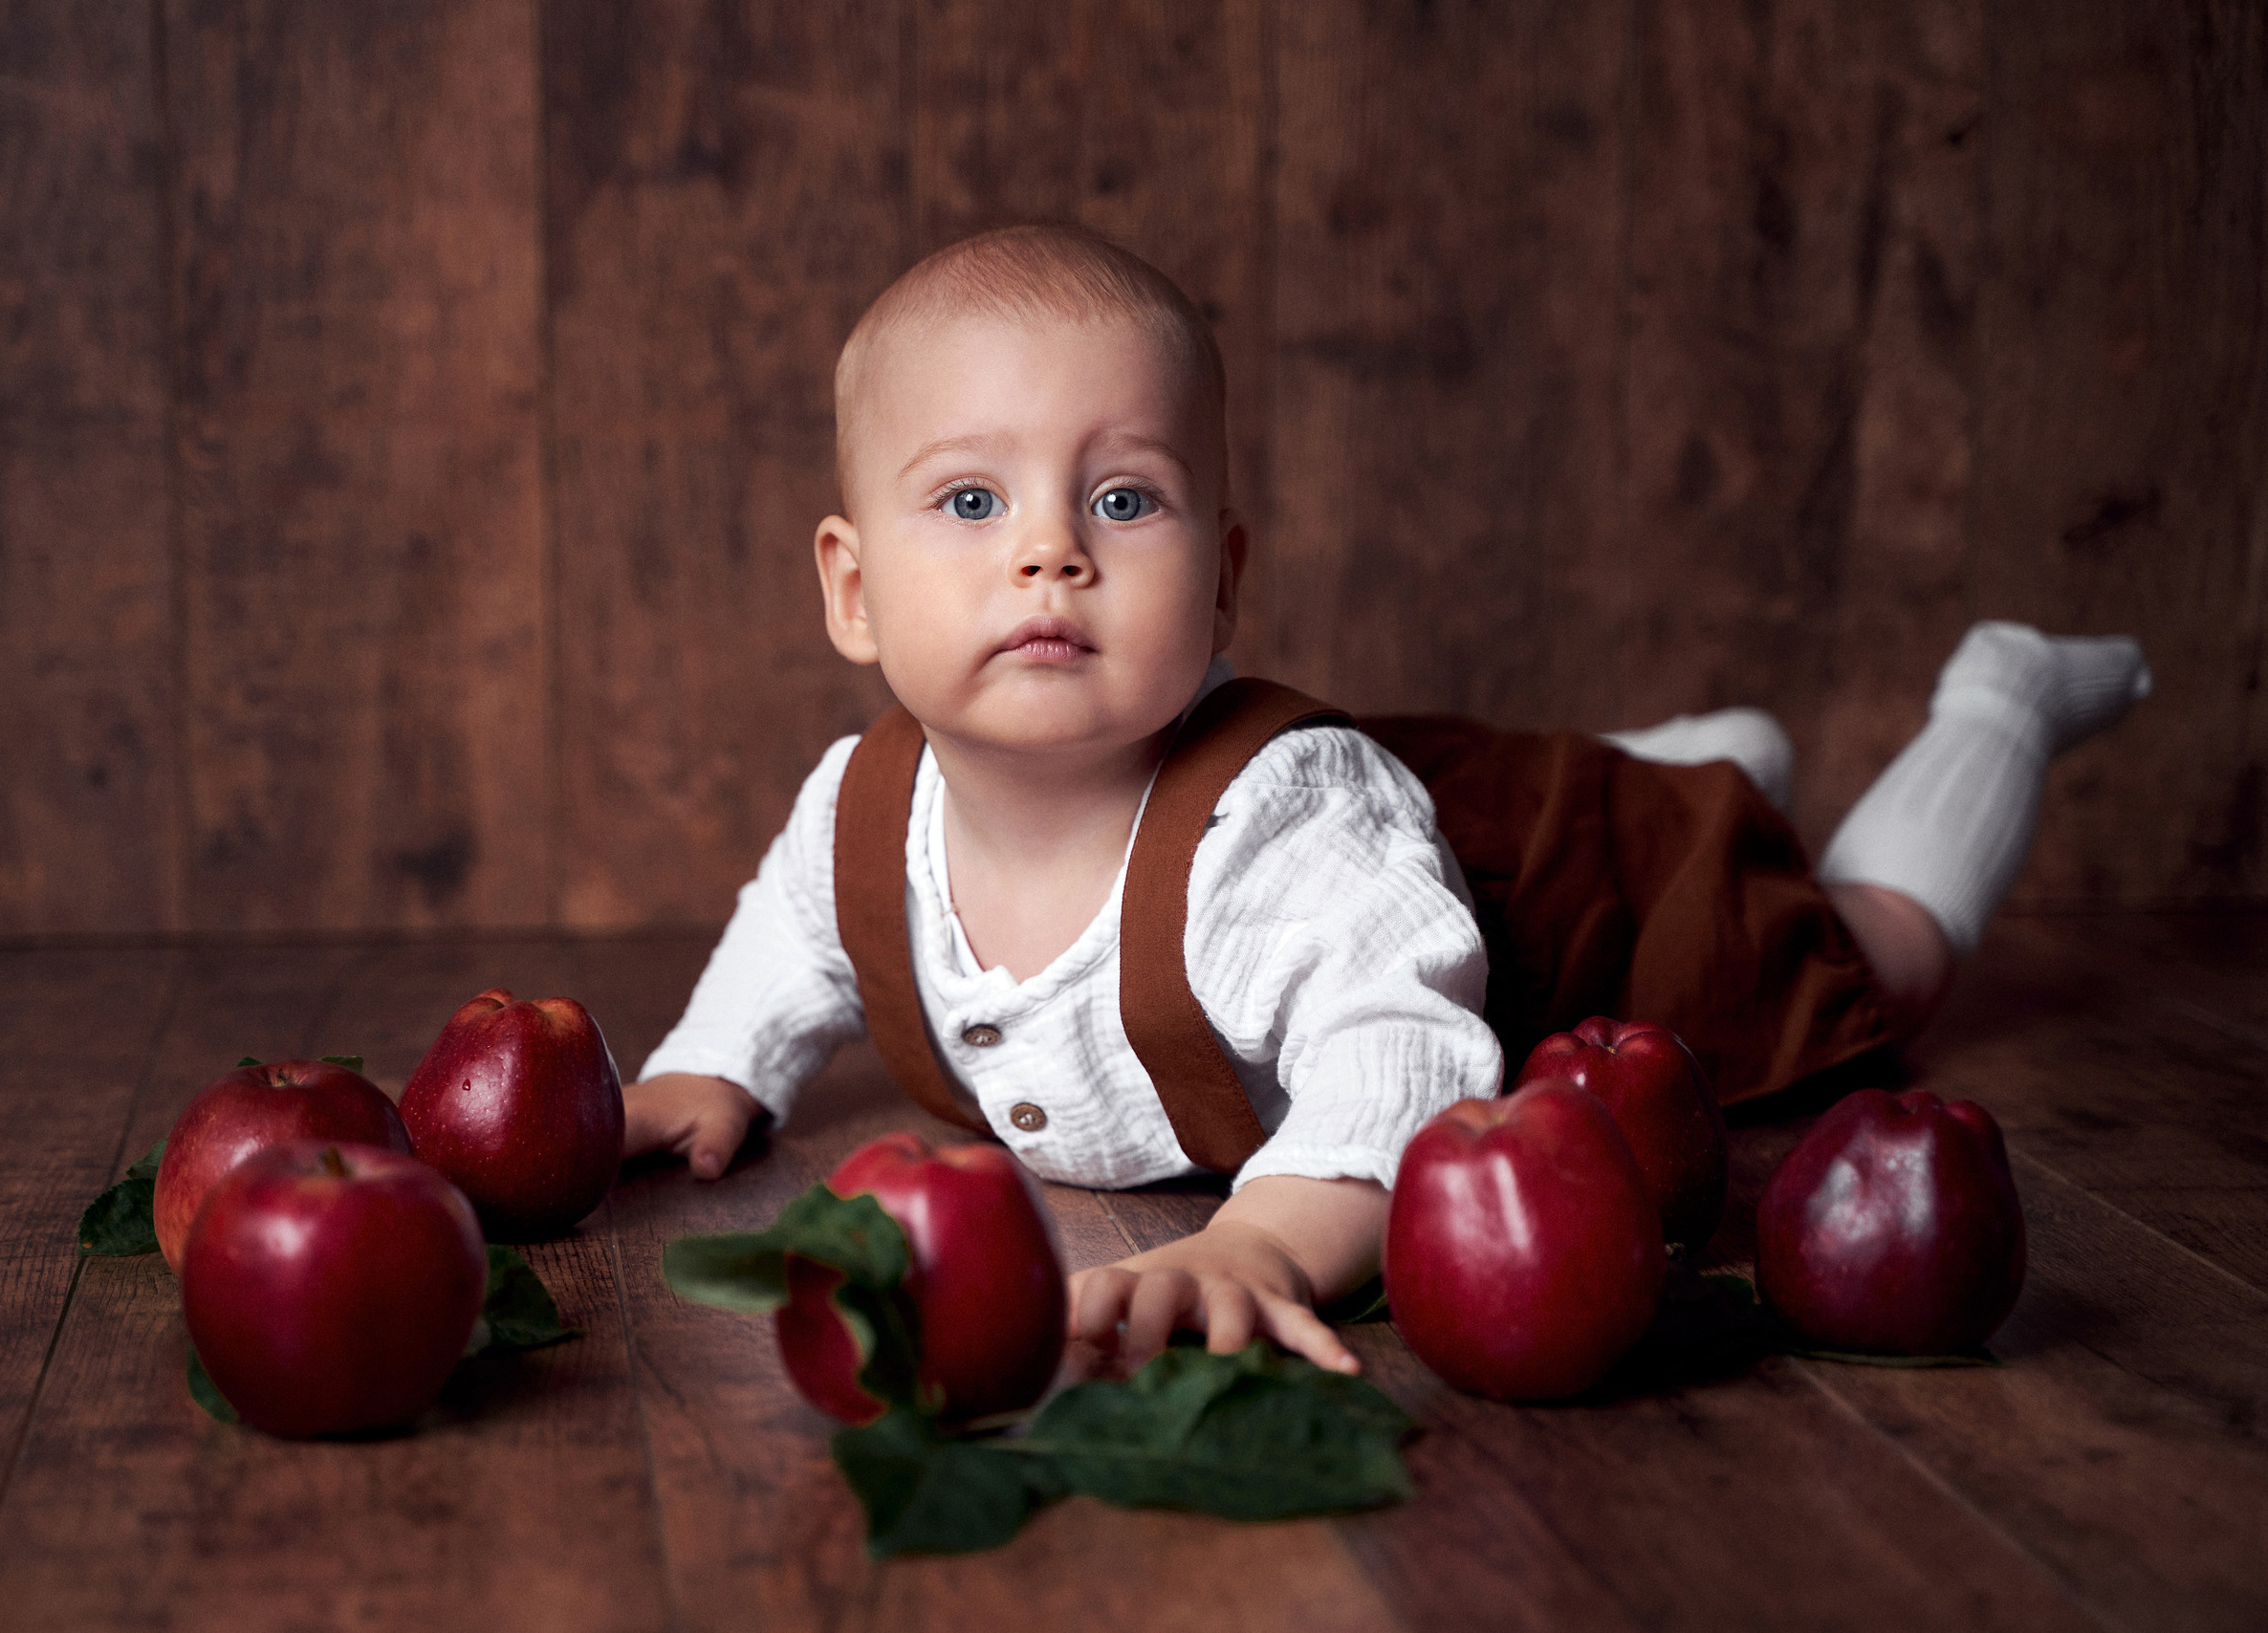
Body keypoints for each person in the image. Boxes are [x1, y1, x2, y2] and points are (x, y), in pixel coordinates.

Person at [620, 225, 2150, 1378]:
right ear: (853, 589)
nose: (1049, 552)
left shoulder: (1285, 836)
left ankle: (1994, 702)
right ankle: (1707, 763)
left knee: (1868, 955)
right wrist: (716, 1065)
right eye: (972, 501)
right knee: (1572, 799)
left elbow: (1403, 1048)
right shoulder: (864, 806)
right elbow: (801, 937)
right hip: (1447, 810)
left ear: (1222, 580)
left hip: (1543, 911)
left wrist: (1269, 1237)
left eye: (1123, 498)